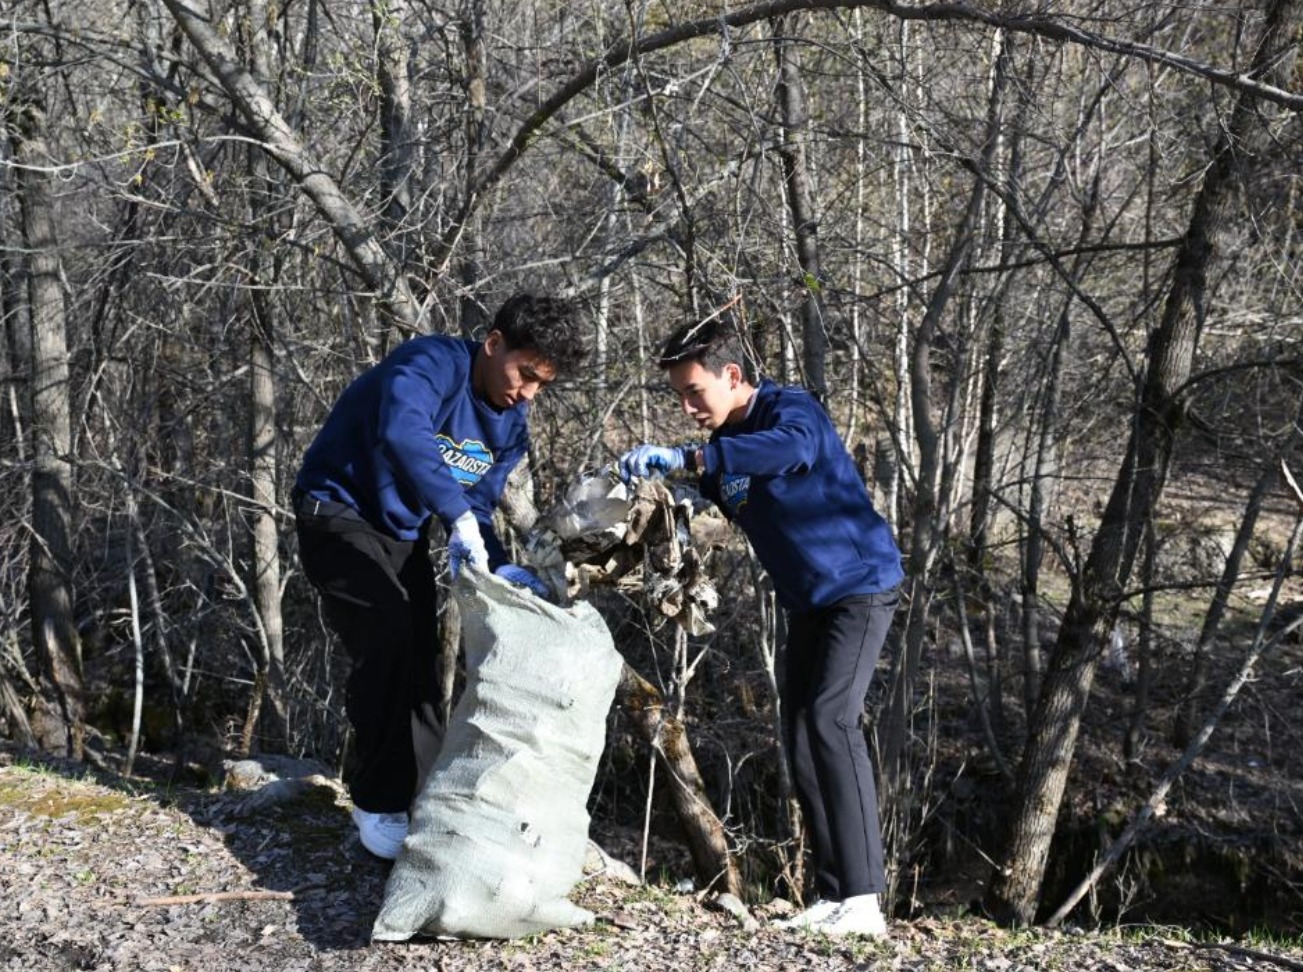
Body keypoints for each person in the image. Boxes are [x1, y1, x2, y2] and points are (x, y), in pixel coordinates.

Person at [618, 317, 904, 938]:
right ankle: (834, 897)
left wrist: (690, 457)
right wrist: (666, 511)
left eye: (695, 391)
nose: (689, 406)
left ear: (733, 376)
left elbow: (790, 452)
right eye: (679, 396)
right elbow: (723, 512)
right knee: (800, 737)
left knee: (832, 720)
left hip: (859, 587)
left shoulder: (790, 411)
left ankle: (864, 902)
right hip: (807, 602)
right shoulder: (719, 454)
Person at [293, 292, 585, 860]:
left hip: (400, 533)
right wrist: (453, 516)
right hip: (336, 512)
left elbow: (477, 500)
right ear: (493, 343)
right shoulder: (429, 365)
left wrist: (498, 564)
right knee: (387, 637)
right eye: (524, 374)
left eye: (541, 385)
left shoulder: (510, 423)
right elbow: (405, 433)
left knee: (425, 659)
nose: (526, 393)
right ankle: (377, 801)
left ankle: (420, 802)